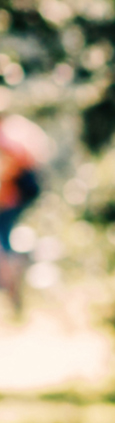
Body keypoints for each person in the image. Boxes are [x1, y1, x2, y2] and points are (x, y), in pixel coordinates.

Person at [0, 114, 48, 325]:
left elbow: (10, 169)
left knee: (3, 244)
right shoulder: (15, 128)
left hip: (12, 197)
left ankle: (12, 289)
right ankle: (13, 292)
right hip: (17, 195)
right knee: (5, 242)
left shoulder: (7, 137)